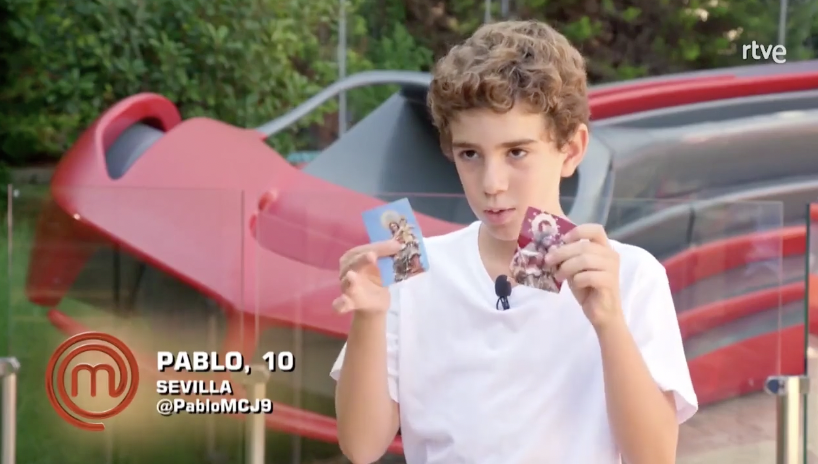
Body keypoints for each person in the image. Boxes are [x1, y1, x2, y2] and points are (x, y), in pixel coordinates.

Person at [330, 20, 697, 464]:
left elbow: (654, 458)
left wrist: (609, 322)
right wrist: (369, 317)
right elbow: (361, 447)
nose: (492, 183)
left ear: (571, 150)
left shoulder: (632, 276)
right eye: (470, 154)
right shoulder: (414, 270)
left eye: (516, 152)